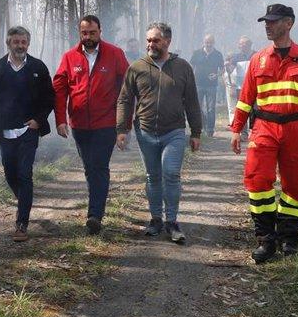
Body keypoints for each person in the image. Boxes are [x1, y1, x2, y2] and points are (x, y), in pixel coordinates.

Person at [230, 4, 298, 263]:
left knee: (295, 185)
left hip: (296, 129)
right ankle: (266, 240)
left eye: (273, 21)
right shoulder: (258, 59)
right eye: (265, 21)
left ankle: (289, 239)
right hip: (264, 128)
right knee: (257, 181)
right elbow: (246, 98)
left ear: (288, 23)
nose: (267, 25)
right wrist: (236, 129)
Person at [116, 22, 203, 243]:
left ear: (167, 41)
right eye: (148, 40)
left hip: (173, 131)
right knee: (153, 176)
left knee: (171, 173)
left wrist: (196, 132)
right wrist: (122, 129)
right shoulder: (137, 67)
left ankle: (172, 221)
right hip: (145, 131)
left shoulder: (182, 67)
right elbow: (125, 100)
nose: (150, 44)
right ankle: (155, 219)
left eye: (155, 40)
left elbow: (192, 101)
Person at [53, 15, 129, 234]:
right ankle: (95, 207)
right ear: (80, 33)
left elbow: (127, 90)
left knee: (99, 166)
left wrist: (123, 124)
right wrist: (60, 120)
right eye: (84, 33)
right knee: (89, 168)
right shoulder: (69, 57)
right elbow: (60, 89)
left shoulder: (115, 54)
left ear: (100, 31)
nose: (88, 37)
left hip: (106, 123)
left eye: (92, 32)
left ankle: (95, 214)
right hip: (78, 125)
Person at [0, 26, 55, 242]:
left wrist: (38, 120)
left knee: (24, 174)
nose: (20, 46)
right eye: (16, 42)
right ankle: (24, 200)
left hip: (28, 131)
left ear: (28, 44)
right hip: (4, 132)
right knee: (10, 175)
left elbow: (49, 98)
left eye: (24, 42)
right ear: (9, 43)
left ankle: (21, 224)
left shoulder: (38, 68)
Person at [189, 34, 224, 137]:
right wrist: (191, 78)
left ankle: (210, 130)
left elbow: (222, 69)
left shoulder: (218, 54)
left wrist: (216, 75)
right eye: (206, 42)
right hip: (198, 84)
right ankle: (201, 126)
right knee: (198, 107)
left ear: (213, 43)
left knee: (211, 108)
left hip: (211, 86)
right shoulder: (197, 53)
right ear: (203, 42)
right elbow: (191, 66)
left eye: (210, 42)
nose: (208, 44)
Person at [225, 36, 256, 139]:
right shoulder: (236, 57)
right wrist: (227, 66)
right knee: (242, 110)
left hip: (254, 87)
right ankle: (243, 133)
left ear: (249, 44)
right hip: (241, 87)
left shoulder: (256, 55)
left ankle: (253, 131)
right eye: (240, 44)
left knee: (254, 109)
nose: (242, 46)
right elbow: (230, 70)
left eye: (244, 44)